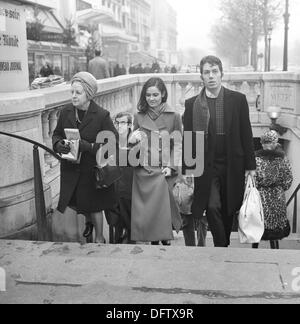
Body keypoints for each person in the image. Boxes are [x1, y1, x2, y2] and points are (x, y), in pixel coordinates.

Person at [182, 55, 256, 248]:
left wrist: (250, 165)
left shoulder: (237, 100)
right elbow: (189, 138)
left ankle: (223, 246)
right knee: (212, 206)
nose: (211, 76)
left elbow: (246, 133)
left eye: (215, 71)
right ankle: (222, 247)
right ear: (202, 77)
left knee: (228, 209)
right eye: (207, 72)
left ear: (222, 74)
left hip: (232, 164)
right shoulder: (192, 104)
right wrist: (189, 169)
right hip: (207, 167)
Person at [52, 71, 118, 243]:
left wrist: (88, 147)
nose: (73, 96)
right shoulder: (66, 112)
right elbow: (57, 134)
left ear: (88, 94)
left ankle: (100, 239)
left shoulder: (102, 115)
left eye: (78, 92)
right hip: (71, 171)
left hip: (92, 172)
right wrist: (58, 145)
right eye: (72, 92)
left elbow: (112, 145)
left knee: (94, 207)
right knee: (74, 206)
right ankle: (82, 239)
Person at [129, 77, 182, 246]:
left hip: (163, 170)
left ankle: (164, 243)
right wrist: (131, 139)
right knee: (147, 215)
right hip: (143, 172)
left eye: (155, 95)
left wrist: (171, 166)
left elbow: (179, 144)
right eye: (148, 95)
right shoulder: (138, 116)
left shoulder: (175, 116)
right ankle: (153, 246)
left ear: (163, 94)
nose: (151, 99)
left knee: (162, 214)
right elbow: (132, 148)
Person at [252, 130, 293, 249]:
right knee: (276, 228)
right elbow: (288, 179)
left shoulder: (256, 159)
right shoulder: (282, 158)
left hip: (261, 197)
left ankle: (255, 248)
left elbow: (252, 179)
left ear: (262, 143)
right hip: (278, 196)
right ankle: (275, 250)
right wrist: (279, 188)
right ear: (275, 142)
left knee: (260, 224)